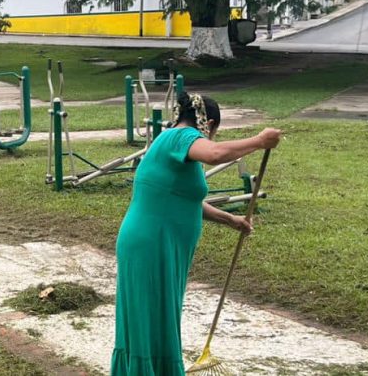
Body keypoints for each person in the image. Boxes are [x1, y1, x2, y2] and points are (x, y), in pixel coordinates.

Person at [111, 92, 282, 376]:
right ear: (208, 124)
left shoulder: (172, 144)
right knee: (150, 317)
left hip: (161, 245)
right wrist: (259, 141)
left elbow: (185, 198)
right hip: (152, 244)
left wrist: (231, 220)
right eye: (213, 132)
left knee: (160, 316)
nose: (211, 138)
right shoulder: (179, 137)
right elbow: (215, 155)